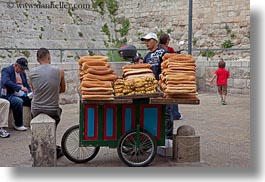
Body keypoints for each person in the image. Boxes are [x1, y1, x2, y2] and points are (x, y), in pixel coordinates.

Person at [29, 47, 66, 159]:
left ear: (37, 59)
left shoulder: (32, 73)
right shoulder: (59, 71)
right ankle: (50, 145)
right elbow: (63, 89)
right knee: (58, 114)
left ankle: (37, 143)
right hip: (52, 110)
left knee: (35, 121)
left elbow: (34, 90)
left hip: (35, 109)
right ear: (49, 57)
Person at [141, 32, 173, 139]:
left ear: (155, 41)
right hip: (151, 89)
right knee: (154, 112)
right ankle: (155, 135)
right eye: (145, 41)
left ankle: (168, 137)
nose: (146, 43)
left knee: (166, 112)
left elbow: (169, 68)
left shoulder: (163, 53)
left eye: (148, 40)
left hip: (163, 87)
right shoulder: (147, 56)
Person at [0, 58, 31, 131]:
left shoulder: (22, 73)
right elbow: (6, 81)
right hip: (9, 94)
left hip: (21, 94)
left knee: (34, 101)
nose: (22, 71)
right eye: (21, 69)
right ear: (16, 65)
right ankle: (18, 124)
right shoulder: (6, 70)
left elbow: (26, 84)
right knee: (18, 101)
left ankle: (33, 121)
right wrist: (19, 88)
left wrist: (30, 92)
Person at [159, 34, 183, 120]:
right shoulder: (169, 50)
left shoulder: (158, 49)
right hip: (169, 73)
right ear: (167, 40)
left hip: (161, 74)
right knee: (172, 93)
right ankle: (174, 113)